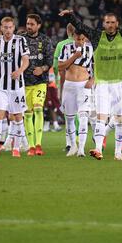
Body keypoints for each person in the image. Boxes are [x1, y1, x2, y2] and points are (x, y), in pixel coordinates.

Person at [59, 3, 122, 161]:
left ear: (117, 23)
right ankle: (98, 149)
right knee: (101, 117)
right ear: (103, 23)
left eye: (113, 22)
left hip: (120, 83)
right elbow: (81, 26)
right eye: (107, 22)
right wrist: (69, 15)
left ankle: (118, 152)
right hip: (103, 84)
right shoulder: (97, 36)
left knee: (120, 119)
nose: (110, 25)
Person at [0, 17, 30, 158]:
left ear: (14, 28)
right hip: (1, 86)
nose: (7, 30)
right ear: (1, 28)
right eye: (5, 27)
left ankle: (16, 148)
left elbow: (26, 60)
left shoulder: (20, 41)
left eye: (10, 27)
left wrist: (19, 71)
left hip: (16, 87)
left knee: (18, 117)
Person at [22, 14, 54, 156]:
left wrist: (42, 69)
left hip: (40, 82)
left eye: (32, 24)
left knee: (39, 110)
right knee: (27, 114)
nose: (29, 26)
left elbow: (50, 61)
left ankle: (39, 144)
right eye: (28, 23)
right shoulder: (21, 40)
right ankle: (31, 146)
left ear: (38, 25)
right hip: (24, 83)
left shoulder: (45, 40)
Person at [58, 30, 94, 157]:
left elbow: (98, 67)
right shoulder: (65, 48)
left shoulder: (91, 49)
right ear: (73, 37)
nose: (81, 42)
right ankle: (73, 145)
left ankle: (81, 149)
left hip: (84, 85)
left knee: (83, 117)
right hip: (69, 86)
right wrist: (74, 57)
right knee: (70, 118)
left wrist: (92, 80)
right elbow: (60, 67)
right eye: (78, 39)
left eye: (83, 39)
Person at [53, 23, 75, 152]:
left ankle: (70, 143)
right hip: (84, 83)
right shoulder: (85, 44)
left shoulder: (61, 45)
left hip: (66, 82)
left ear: (67, 31)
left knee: (69, 115)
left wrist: (58, 84)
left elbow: (57, 67)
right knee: (82, 115)